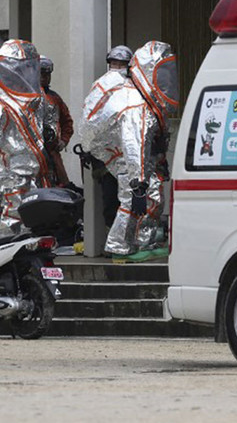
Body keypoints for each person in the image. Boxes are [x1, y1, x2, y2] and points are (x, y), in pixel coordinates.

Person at [81, 41, 178, 263]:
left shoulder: (145, 99)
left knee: (153, 194)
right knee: (130, 198)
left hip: (127, 153)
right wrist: (138, 184)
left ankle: (144, 239)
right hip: (118, 152)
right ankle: (118, 245)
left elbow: (151, 141)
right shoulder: (136, 103)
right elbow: (134, 145)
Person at [0, 40, 51, 235]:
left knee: (32, 218)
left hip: (34, 167)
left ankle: (26, 257)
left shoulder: (33, 93)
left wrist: (52, 132)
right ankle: (8, 258)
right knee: (14, 217)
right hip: (10, 169)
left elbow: (46, 119)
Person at [85, 45, 134, 228]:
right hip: (106, 156)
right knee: (110, 200)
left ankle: (129, 240)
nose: (117, 67)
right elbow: (89, 119)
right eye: (114, 62)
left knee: (130, 200)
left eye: (121, 64)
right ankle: (112, 242)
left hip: (129, 155)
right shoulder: (99, 87)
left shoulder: (134, 89)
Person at [39, 55, 74, 187]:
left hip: (52, 153)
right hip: (33, 154)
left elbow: (67, 122)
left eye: (47, 75)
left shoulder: (55, 98)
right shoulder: (26, 97)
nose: (45, 78)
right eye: (41, 74)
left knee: (61, 186)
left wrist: (63, 141)